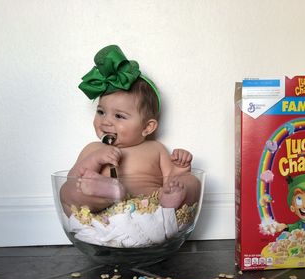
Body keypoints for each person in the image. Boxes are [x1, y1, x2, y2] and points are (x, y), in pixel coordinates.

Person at [60, 45, 200, 218]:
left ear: (147, 127)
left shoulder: (156, 149)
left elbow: (170, 178)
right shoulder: (93, 149)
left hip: (150, 208)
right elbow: (74, 178)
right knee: (67, 190)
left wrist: (180, 169)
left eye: (119, 116)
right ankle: (109, 191)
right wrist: (96, 159)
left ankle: (169, 204)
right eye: (101, 112)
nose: (106, 121)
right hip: (104, 213)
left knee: (192, 181)